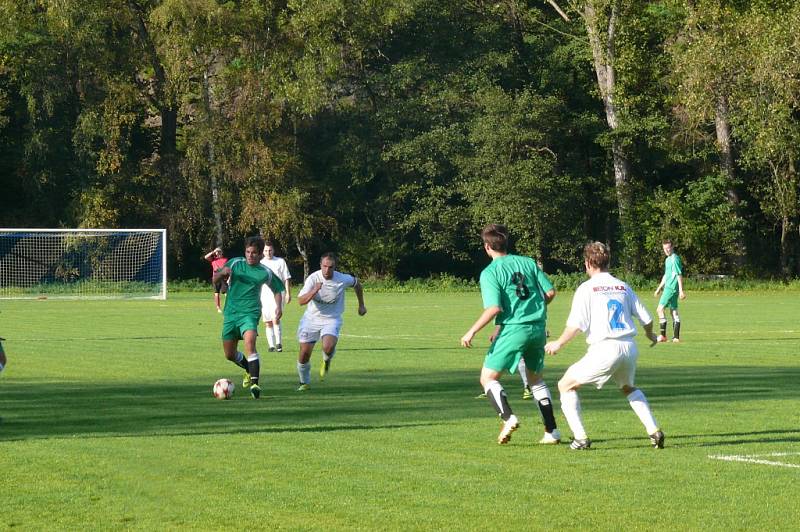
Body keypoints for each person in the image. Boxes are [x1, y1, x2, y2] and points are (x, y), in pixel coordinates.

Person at [544, 241, 665, 450]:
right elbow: (646, 318)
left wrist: (558, 343)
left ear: (588, 263)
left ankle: (581, 438)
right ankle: (654, 431)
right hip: (628, 347)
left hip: (605, 348)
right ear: (608, 262)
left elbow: (576, 325)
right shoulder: (623, 286)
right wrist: (651, 335)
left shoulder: (586, 288)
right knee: (628, 387)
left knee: (565, 385)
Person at [460, 224, 560, 445]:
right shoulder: (528, 262)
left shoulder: (490, 272)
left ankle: (508, 417)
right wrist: (534, 311)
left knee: (487, 377)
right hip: (538, 328)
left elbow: (494, 307)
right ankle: (551, 431)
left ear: (487, 247)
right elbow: (550, 292)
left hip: (514, 329)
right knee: (536, 380)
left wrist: (471, 331)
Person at [213, 236, 285, 399]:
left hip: (250, 313)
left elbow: (277, 289)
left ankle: (255, 384)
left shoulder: (264, 272)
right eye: (248, 252)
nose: (250, 255)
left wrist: (278, 307)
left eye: (254, 253)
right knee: (229, 355)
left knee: (250, 342)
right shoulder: (235, 263)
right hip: (231, 314)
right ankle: (247, 368)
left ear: (260, 255)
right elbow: (215, 279)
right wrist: (222, 273)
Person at [295, 252, 366, 391]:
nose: (327, 270)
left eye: (330, 267)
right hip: (311, 319)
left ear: (335, 267)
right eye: (325, 266)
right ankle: (304, 383)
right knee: (304, 353)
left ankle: (326, 360)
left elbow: (357, 284)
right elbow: (300, 301)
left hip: (332, 319)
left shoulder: (342, 278)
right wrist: (314, 290)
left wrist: (361, 305)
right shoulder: (313, 279)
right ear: (320, 265)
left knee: (328, 346)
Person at [259, 242, 292, 352]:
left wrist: (288, 293)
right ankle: (271, 345)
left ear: (273, 250)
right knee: (268, 321)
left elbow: (286, 278)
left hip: (278, 293)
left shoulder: (280, 261)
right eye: (266, 250)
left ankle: (278, 343)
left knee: (276, 318)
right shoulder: (260, 263)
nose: (268, 252)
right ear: (263, 252)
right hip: (264, 295)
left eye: (270, 250)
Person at [654, 239, 685, 343]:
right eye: (664, 249)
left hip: (671, 289)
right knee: (674, 312)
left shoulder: (674, 259)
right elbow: (666, 275)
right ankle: (676, 337)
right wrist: (659, 288)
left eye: (668, 248)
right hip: (670, 288)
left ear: (672, 247)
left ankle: (663, 336)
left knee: (659, 309)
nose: (666, 250)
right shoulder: (668, 259)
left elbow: (679, 274)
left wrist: (681, 290)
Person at [204, 246, 229, 313]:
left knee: (227, 293)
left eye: (219, 252)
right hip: (215, 278)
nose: (217, 253)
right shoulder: (213, 259)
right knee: (216, 293)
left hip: (223, 278)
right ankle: (218, 308)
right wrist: (213, 252)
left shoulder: (225, 259)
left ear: (221, 253)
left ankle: (227, 306)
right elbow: (206, 257)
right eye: (217, 252)